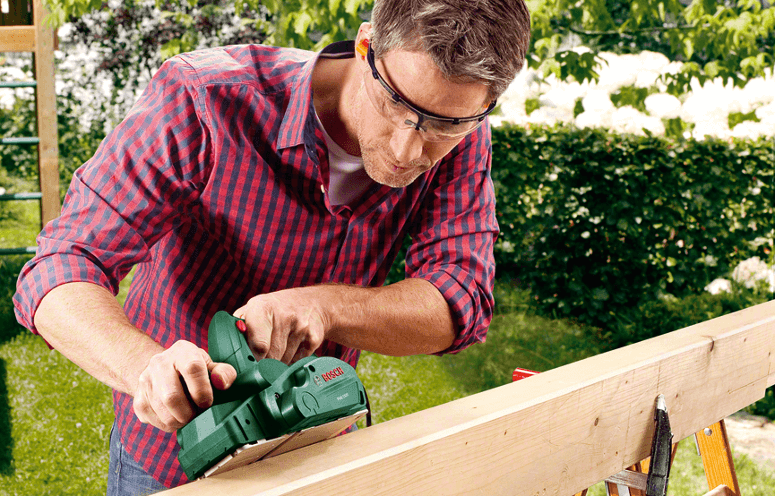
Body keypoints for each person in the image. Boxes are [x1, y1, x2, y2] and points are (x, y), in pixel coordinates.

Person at [14, 0, 531, 493]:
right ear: (365, 46)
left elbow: (459, 302)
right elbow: (60, 267)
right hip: (171, 461)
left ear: (484, 106)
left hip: (317, 450)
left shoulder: (463, 131)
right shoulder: (205, 98)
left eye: (445, 125)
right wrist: (141, 368)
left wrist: (324, 308)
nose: (407, 149)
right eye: (395, 104)